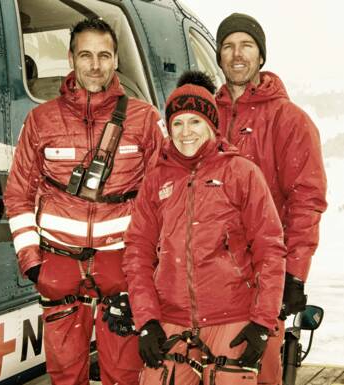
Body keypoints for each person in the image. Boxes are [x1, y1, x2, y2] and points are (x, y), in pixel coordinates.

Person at [4, 18, 165, 385]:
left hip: (121, 267)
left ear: (115, 59)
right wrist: (33, 265)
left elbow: (162, 198)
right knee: (65, 376)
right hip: (58, 266)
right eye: (86, 55)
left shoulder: (143, 120)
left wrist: (147, 267)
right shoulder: (40, 120)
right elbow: (18, 195)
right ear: (71, 58)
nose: (96, 65)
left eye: (104, 55)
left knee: (124, 375)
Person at [122, 70, 287, 385]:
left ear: (212, 125)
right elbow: (137, 252)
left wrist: (262, 323)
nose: (186, 132)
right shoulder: (157, 179)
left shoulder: (241, 173)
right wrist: (146, 321)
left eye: (195, 121)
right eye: (178, 123)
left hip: (232, 316)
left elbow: (270, 248)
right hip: (171, 318)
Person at [214, 13, 328, 385]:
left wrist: (294, 275)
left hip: (263, 272)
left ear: (261, 56)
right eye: (228, 46)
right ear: (218, 55)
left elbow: (306, 201)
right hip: (205, 271)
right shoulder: (201, 117)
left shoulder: (289, 119)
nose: (237, 54)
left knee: (259, 369)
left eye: (246, 45)